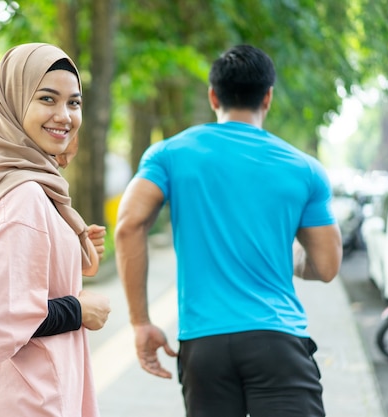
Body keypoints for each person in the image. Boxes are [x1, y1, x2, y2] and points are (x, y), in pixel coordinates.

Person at [114, 44, 342, 417]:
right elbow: (327, 266)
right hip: (278, 340)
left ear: (212, 95)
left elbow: (128, 225)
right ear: (267, 97)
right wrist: (284, 256)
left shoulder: (169, 154)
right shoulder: (305, 169)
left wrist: (141, 322)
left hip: (204, 348)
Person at [0, 43, 111, 417]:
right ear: (14, 99)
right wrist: (78, 309)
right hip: (31, 399)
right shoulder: (22, 195)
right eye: (47, 99)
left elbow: (16, 274)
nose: (65, 115)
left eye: (74, 103)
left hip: (14, 391)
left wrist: (71, 247)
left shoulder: (1, 174)